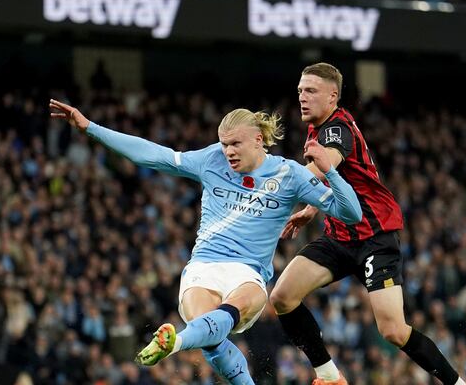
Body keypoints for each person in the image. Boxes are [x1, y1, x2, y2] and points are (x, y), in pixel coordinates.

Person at [49, 99, 363, 384]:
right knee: (210, 334)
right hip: (203, 267)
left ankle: (175, 343)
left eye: (235, 144)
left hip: (248, 273)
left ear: (258, 140)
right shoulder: (212, 159)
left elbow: (351, 213)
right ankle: (185, 343)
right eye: (224, 144)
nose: (228, 151)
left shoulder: (289, 174)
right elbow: (154, 155)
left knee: (233, 309)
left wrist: (329, 172)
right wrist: (91, 128)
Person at [270, 63, 466, 385]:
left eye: (310, 91)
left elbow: (324, 167)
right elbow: (331, 180)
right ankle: (329, 376)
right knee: (282, 297)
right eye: (299, 91)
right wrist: (311, 208)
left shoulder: (336, 129)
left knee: (392, 330)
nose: (302, 98)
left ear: (332, 95)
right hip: (339, 236)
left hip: (375, 237)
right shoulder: (317, 127)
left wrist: (265, 182)